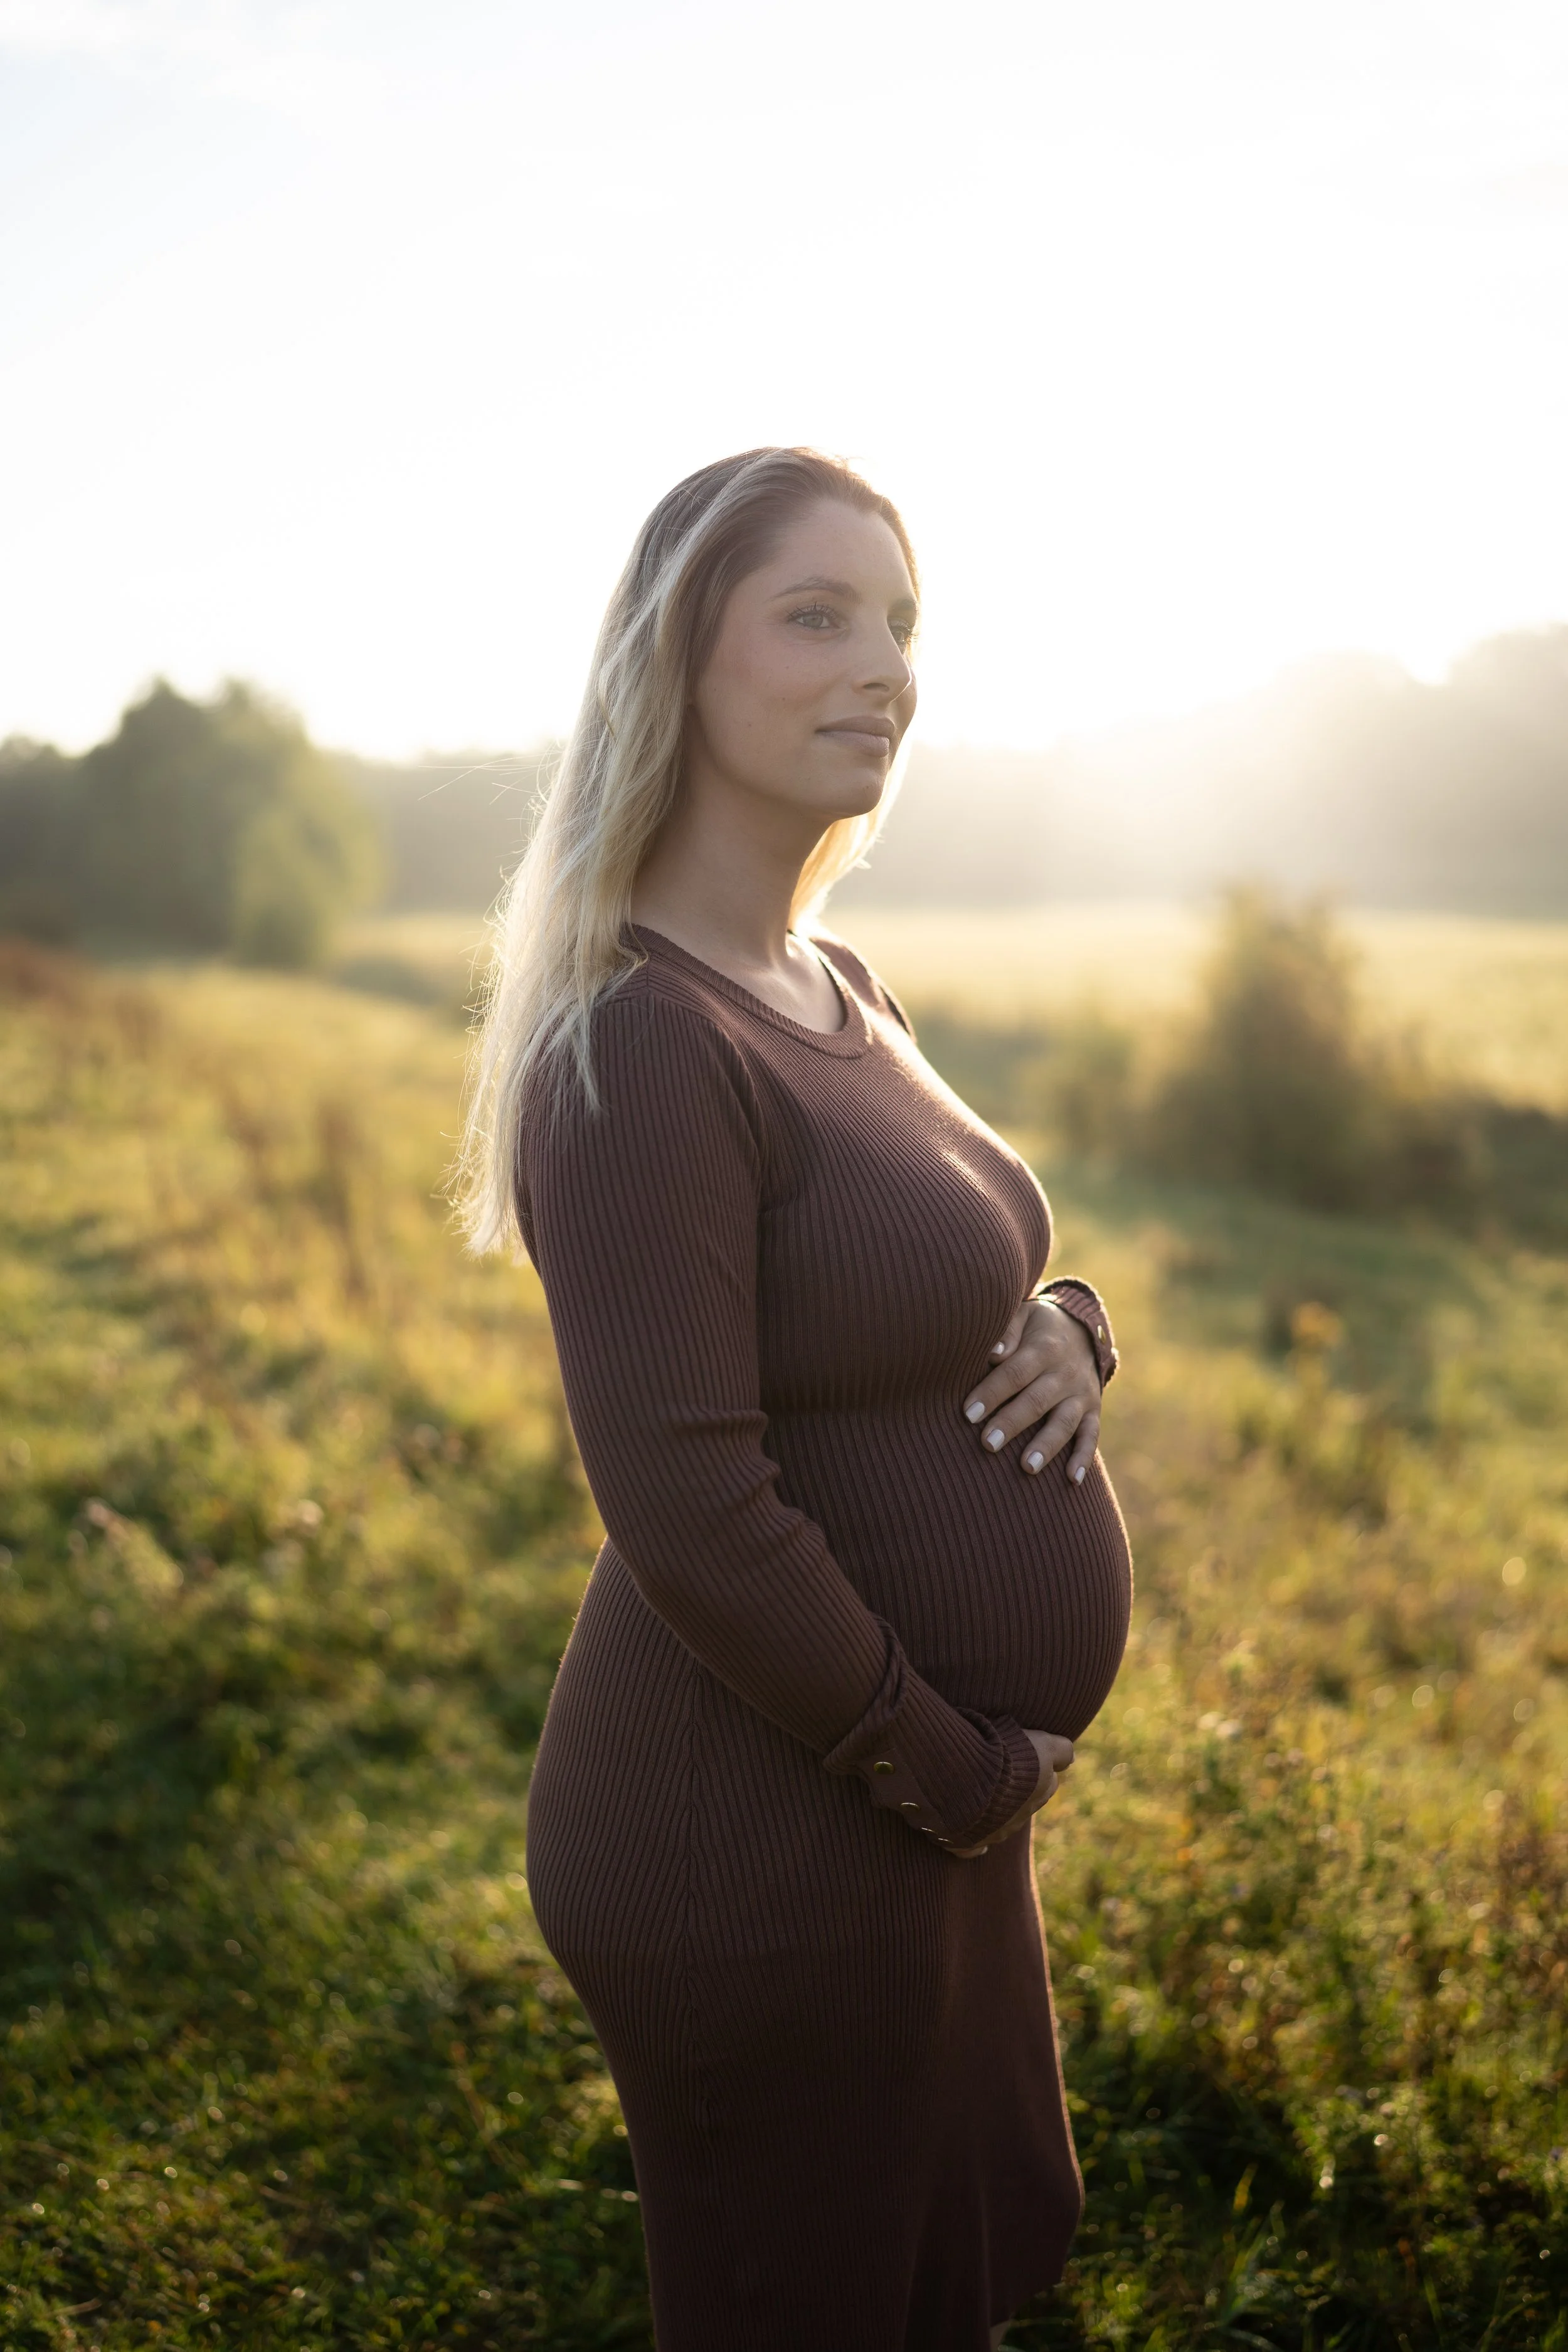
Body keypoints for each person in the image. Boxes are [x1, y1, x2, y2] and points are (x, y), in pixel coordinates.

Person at [458, 448, 1131, 2351]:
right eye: (817, 616)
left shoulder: (833, 981)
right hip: (756, 1835)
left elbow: (941, 1275)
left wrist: (1073, 1324)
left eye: (900, 622)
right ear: (678, 660)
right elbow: (689, 1506)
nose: (884, 668)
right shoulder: (636, 1045)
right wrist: (949, 1760)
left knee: (952, 2285)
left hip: (904, 1817)